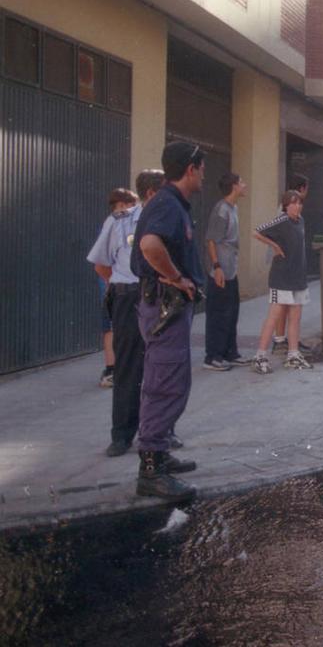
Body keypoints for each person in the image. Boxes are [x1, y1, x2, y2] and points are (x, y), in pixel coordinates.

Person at [129, 142, 206, 499]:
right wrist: (176, 277)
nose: (204, 174)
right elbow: (149, 246)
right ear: (191, 168)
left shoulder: (169, 203)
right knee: (165, 384)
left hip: (166, 308)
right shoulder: (168, 204)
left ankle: (158, 453)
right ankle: (151, 470)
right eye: (202, 167)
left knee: (167, 380)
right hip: (165, 306)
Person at [88, 175, 162, 457]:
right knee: (128, 368)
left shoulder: (169, 221)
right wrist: (124, 287)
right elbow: (101, 266)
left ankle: (160, 431)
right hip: (130, 296)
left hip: (160, 297)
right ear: (151, 193)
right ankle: (121, 435)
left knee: (161, 368)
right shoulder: (119, 222)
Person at [251, 190, 312, 373]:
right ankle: (260, 355)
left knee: (295, 317)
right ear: (286, 205)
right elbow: (256, 232)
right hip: (281, 278)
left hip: (298, 277)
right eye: (293, 203)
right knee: (274, 316)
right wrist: (274, 246)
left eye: (299, 203)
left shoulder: (300, 221)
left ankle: (293, 354)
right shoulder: (281, 220)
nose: (297, 206)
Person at [203, 172, 249, 372]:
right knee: (218, 315)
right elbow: (211, 240)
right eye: (241, 183)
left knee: (231, 313)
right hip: (220, 271)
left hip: (231, 270)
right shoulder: (221, 210)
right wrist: (216, 267)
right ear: (233, 186)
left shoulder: (233, 208)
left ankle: (231, 353)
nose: (244, 185)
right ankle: (213, 356)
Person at [92, 188, 136, 388]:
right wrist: (112, 282)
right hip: (113, 282)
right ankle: (112, 369)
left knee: (111, 326)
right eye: (130, 204)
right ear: (123, 205)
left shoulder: (111, 223)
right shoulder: (115, 224)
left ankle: (113, 368)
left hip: (113, 281)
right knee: (111, 325)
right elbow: (101, 264)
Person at [273, 174, 311, 353]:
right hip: (284, 267)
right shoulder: (285, 213)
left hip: (292, 266)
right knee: (282, 304)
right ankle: (280, 340)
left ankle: (290, 340)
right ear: (302, 189)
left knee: (290, 305)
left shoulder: (295, 211)